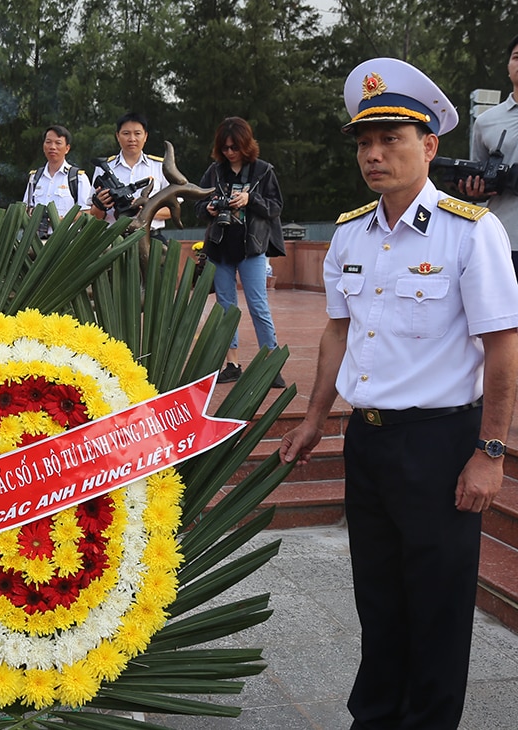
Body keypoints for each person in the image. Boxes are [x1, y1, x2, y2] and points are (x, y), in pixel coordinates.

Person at [280, 57, 518, 730]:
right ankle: (375, 718)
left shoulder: (471, 230)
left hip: (442, 445)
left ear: (430, 145)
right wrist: (317, 420)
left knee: (438, 609)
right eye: (364, 142)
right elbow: (336, 333)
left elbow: (504, 345)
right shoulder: (352, 233)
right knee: (379, 602)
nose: (375, 155)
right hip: (371, 443)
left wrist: (491, 451)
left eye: (391, 140)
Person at [194, 117, 286, 388]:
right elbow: (197, 205)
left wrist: (250, 199)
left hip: (252, 248)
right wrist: (208, 209)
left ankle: (271, 363)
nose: (230, 152)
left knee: (258, 306)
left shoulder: (263, 170)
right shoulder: (214, 171)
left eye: (234, 147)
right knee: (225, 308)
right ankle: (231, 364)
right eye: (225, 148)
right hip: (220, 246)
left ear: (246, 145)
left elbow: (276, 207)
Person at [459, 34, 518, 279]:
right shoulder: (486, 122)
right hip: (505, 237)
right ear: (508, 67)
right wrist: (475, 190)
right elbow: (479, 174)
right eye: (516, 57)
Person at [87, 112, 170, 237]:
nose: (132, 139)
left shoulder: (160, 167)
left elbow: (170, 211)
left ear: (145, 136)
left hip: (150, 238)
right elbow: (94, 216)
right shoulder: (103, 168)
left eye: (137, 133)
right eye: (126, 133)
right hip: (113, 238)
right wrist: (100, 205)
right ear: (117, 136)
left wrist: (146, 208)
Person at [23, 125, 92, 236]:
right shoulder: (35, 177)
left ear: (67, 148)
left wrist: (62, 220)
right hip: (35, 241)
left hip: (65, 240)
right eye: (48, 142)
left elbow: (87, 212)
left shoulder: (77, 178)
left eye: (58, 143)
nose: (52, 147)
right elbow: (25, 207)